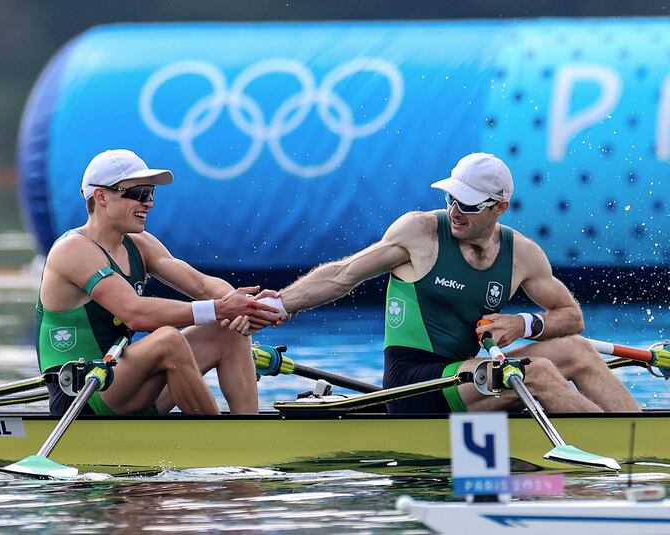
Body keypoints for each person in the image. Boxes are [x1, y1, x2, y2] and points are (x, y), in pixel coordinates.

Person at [246, 153, 640, 414]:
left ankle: (644, 434)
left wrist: (523, 324)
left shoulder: (522, 253)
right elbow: (342, 275)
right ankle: (624, 452)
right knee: (535, 372)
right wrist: (279, 305)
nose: (455, 211)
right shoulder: (420, 233)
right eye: (452, 198)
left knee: (578, 349)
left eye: (468, 204)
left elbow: (571, 316)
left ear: (499, 207)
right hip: (411, 385)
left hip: (470, 375)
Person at [35, 148, 278, 417]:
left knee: (228, 331)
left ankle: (248, 427)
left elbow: (202, 285)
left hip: (121, 382)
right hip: (81, 397)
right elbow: (135, 314)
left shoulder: (140, 245)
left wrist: (249, 307)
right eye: (138, 194)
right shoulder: (73, 251)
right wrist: (221, 309)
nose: (148, 203)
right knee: (167, 340)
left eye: (150, 194)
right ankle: (219, 441)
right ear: (101, 196)